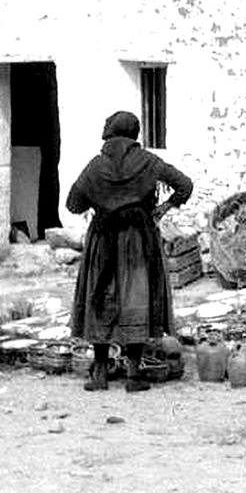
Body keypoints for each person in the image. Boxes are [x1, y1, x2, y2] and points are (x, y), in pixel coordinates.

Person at [67, 111, 193, 393]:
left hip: (103, 239)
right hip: (139, 239)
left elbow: (73, 204)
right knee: (137, 296)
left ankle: (100, 372)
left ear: (110, 134)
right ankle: (134, 374)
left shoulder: (96, 165)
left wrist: (102, 200)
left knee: (102, 296)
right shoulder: (148, 161)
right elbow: (185, 185)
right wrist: (162, 208)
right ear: (134, 134)